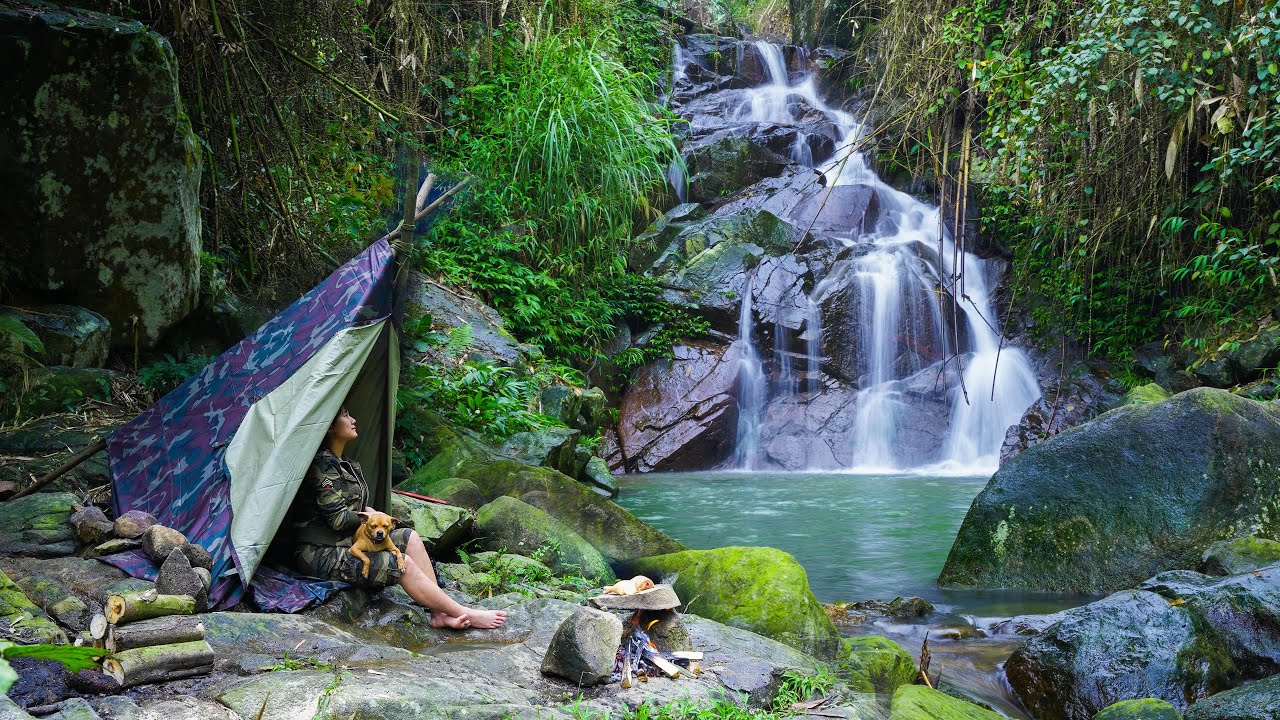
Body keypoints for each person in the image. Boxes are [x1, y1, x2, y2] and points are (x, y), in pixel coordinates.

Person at [283, 406, 506, 629]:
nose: (353, 419)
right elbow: (338, 520)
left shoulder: (347, 465)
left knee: (410, 538)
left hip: (350, 541)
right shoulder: (324, 464)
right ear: (330, 427)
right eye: (345, 415)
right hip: (320, 553)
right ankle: (465, 612)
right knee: (403, 565)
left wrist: (370, 513)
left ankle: (439, 613)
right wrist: (368, 515)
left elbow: (352, 507)